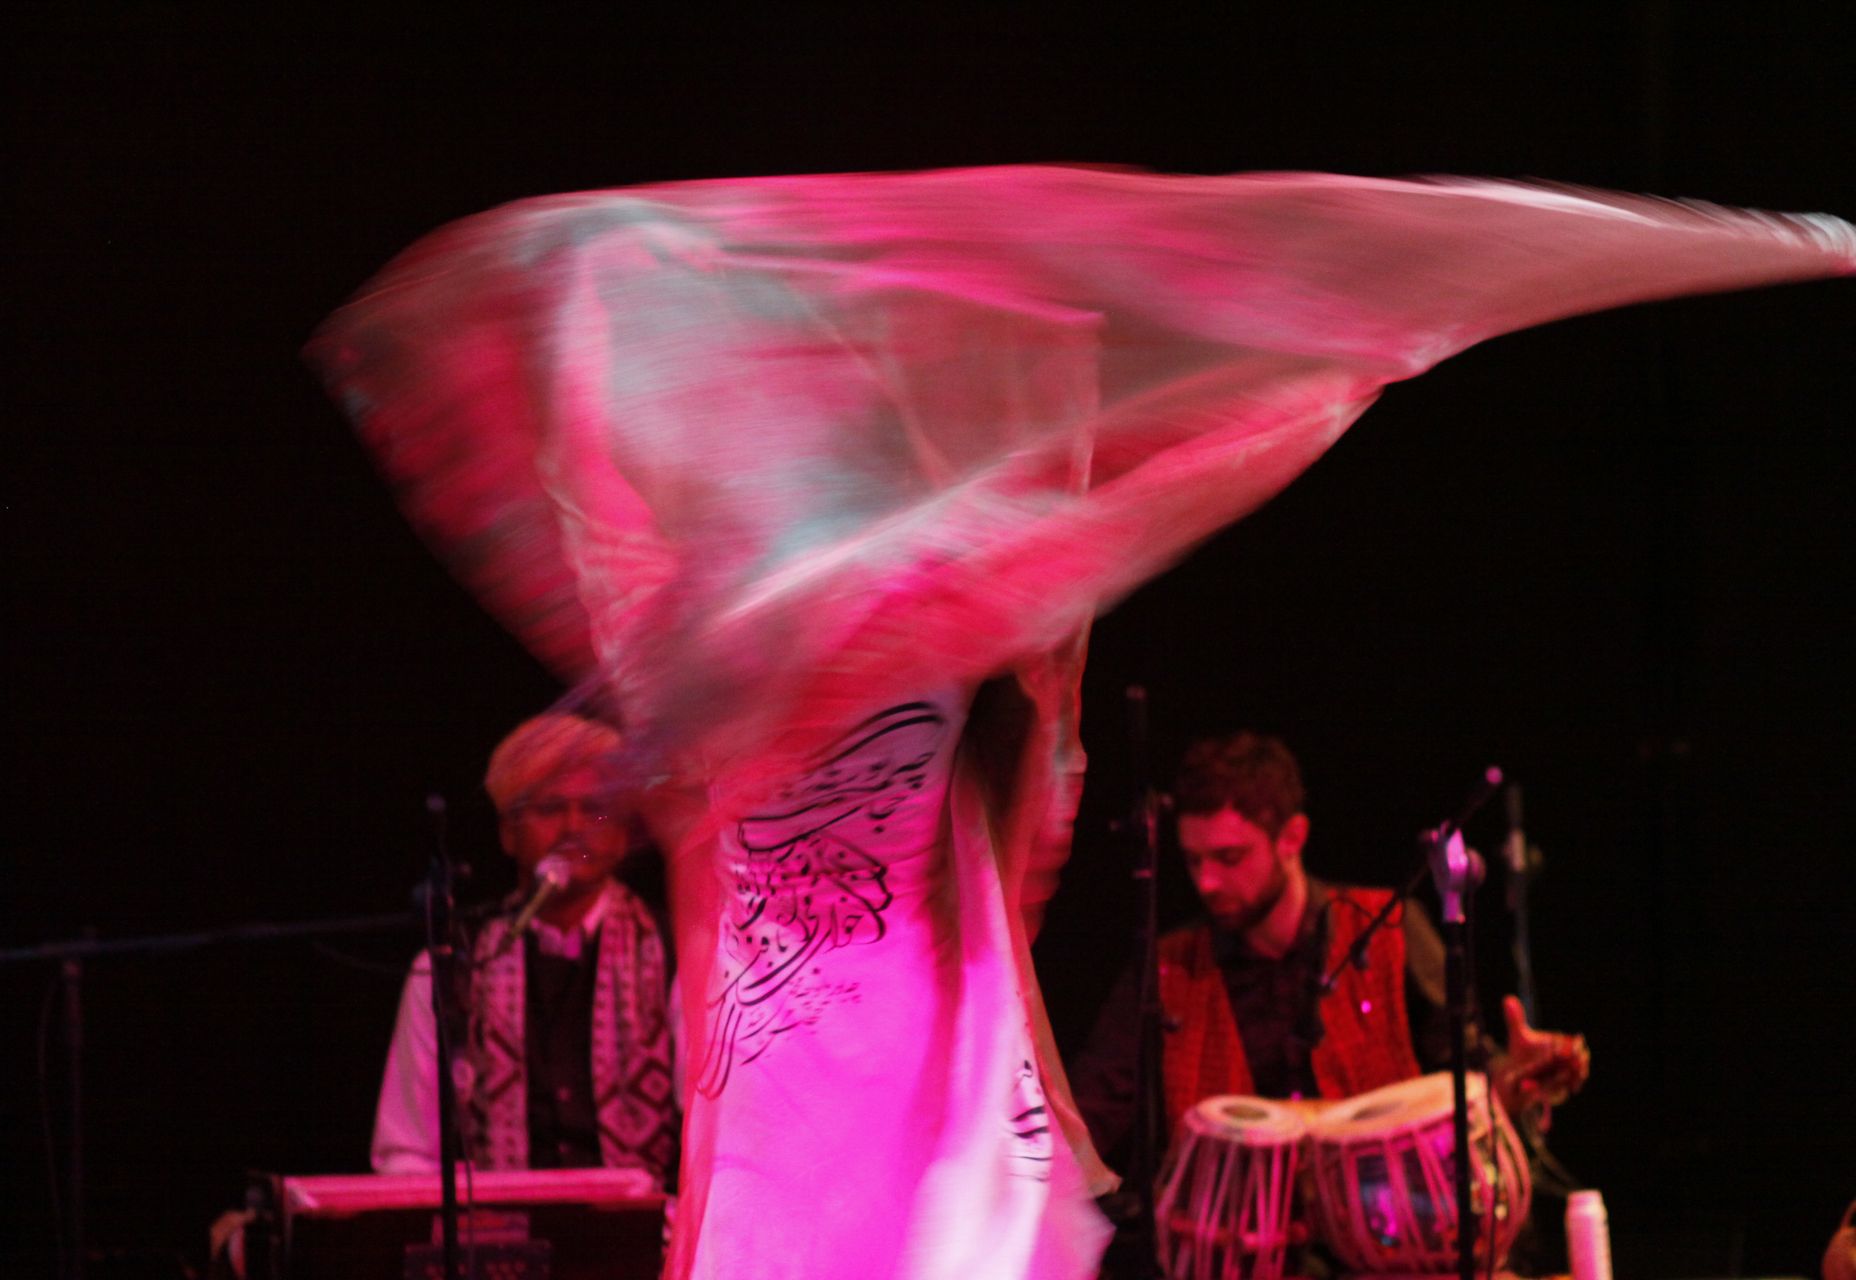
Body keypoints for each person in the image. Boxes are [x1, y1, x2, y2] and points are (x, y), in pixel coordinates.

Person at [308, 165, 1853, 1278]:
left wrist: (1344, 362)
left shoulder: (819, 603)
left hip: (894, 1091)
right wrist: (1333, 371)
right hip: (804, 1108)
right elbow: (591, 433)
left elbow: (1102, 518)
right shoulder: (750, 615)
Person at [1073, 731, 1589, 1161]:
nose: (1206, 881)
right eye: (1193, 860)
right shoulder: (1168, 969)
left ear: (1292, 838)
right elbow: (1091, 1114)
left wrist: (1515, 1075)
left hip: (1380, 1245)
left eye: (1229, 858)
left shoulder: (1387, 927)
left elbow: (1465, 1074)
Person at [372, 711, 680, 1182]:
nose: (573, 827)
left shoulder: (678, 959)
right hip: (499, 1244)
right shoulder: (450, 965)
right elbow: (407, 1154)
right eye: (550, 808)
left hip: (650, 1245)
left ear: (622, 834)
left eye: (595, 808)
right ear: (507, 833)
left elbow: (721, 1141)